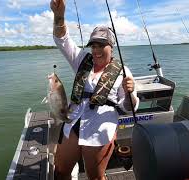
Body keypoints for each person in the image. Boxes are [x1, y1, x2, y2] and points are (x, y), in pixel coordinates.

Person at [50, 0, 139, 179]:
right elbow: (62, 40)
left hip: (100, 130)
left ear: (111, 47)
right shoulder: (82, 59)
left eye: (101, 45)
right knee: (60, 171)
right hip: (73, 122)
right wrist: (59, 16)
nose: (96, 50)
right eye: (94, 45)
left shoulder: (123, 71)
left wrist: (130, 93)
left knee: (96, 177)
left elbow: (130, 107)